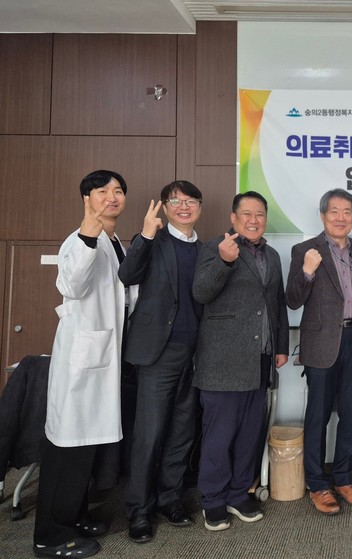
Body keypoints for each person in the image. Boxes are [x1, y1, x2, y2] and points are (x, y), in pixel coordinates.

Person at [33, 170, 136, 559]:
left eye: (118, 190)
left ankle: (75, 517)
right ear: (86, 199)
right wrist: (88, 235)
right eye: (102, 190)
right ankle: (50, 536)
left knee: (86, 449)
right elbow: (72, 286)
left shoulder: (114, 242)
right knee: (68, 449)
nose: (112, 196)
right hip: (82, 362)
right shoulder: (79, 240)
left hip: (104, 358)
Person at [191, 191, 289, 531]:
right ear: (233, 218)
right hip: (223, 359)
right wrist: (224, 261)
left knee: (250, 432)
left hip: (260, 357)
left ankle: (238, 492)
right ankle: (213, 499)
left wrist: (281, 347)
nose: (253, 219)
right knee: (219, 434)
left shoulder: (272, 255)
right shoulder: (214, 248)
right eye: (246, 213)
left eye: (259, 214)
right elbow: (201, 292)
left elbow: (277, 303)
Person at [119, 181, 203, 543]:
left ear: (199, 207)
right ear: (165, 208)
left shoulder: (206, 249)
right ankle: (139, 510)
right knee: (149, 435)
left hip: (195, 354)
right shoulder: (153, 241)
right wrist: (145, 235)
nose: (184, 207)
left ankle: (170, 499)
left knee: (182, 433)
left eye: (190, 201)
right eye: (176, 201)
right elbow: (127, 276)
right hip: (157, 354)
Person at [286, 188, 352, 515]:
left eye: (347, 212)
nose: (341, 217)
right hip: (321, 342)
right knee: (318, 414)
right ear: (323, 215)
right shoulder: (305, 250)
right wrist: (308, 271)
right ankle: (317, 483)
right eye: (334, 211)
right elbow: (292, 299)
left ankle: (344, 477)